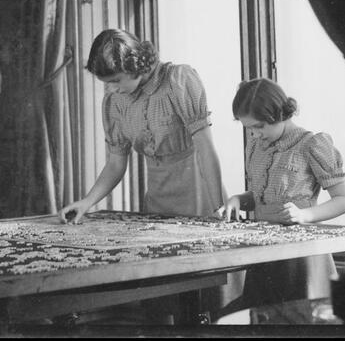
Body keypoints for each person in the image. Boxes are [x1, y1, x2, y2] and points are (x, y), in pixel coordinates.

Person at [59, 28, 224, 224]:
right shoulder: (116, 102)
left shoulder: (177, 81)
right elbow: (115, 164)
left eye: (116, 80)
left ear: (134, 65)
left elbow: (206, 148)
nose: (112, 89)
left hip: (199, 192)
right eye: (107, 84)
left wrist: (218, 207)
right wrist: (87, 202)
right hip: (157, 200)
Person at [216, 77, 345, 308]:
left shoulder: (312, 144)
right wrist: (238, 200)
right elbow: (263, 195)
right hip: (263, 254)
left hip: (301, 259)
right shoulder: (256, 146)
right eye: (249, 128)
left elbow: (344, 201)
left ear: (279, 114)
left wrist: (304, 216)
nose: (255, 134)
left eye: (259, 126)